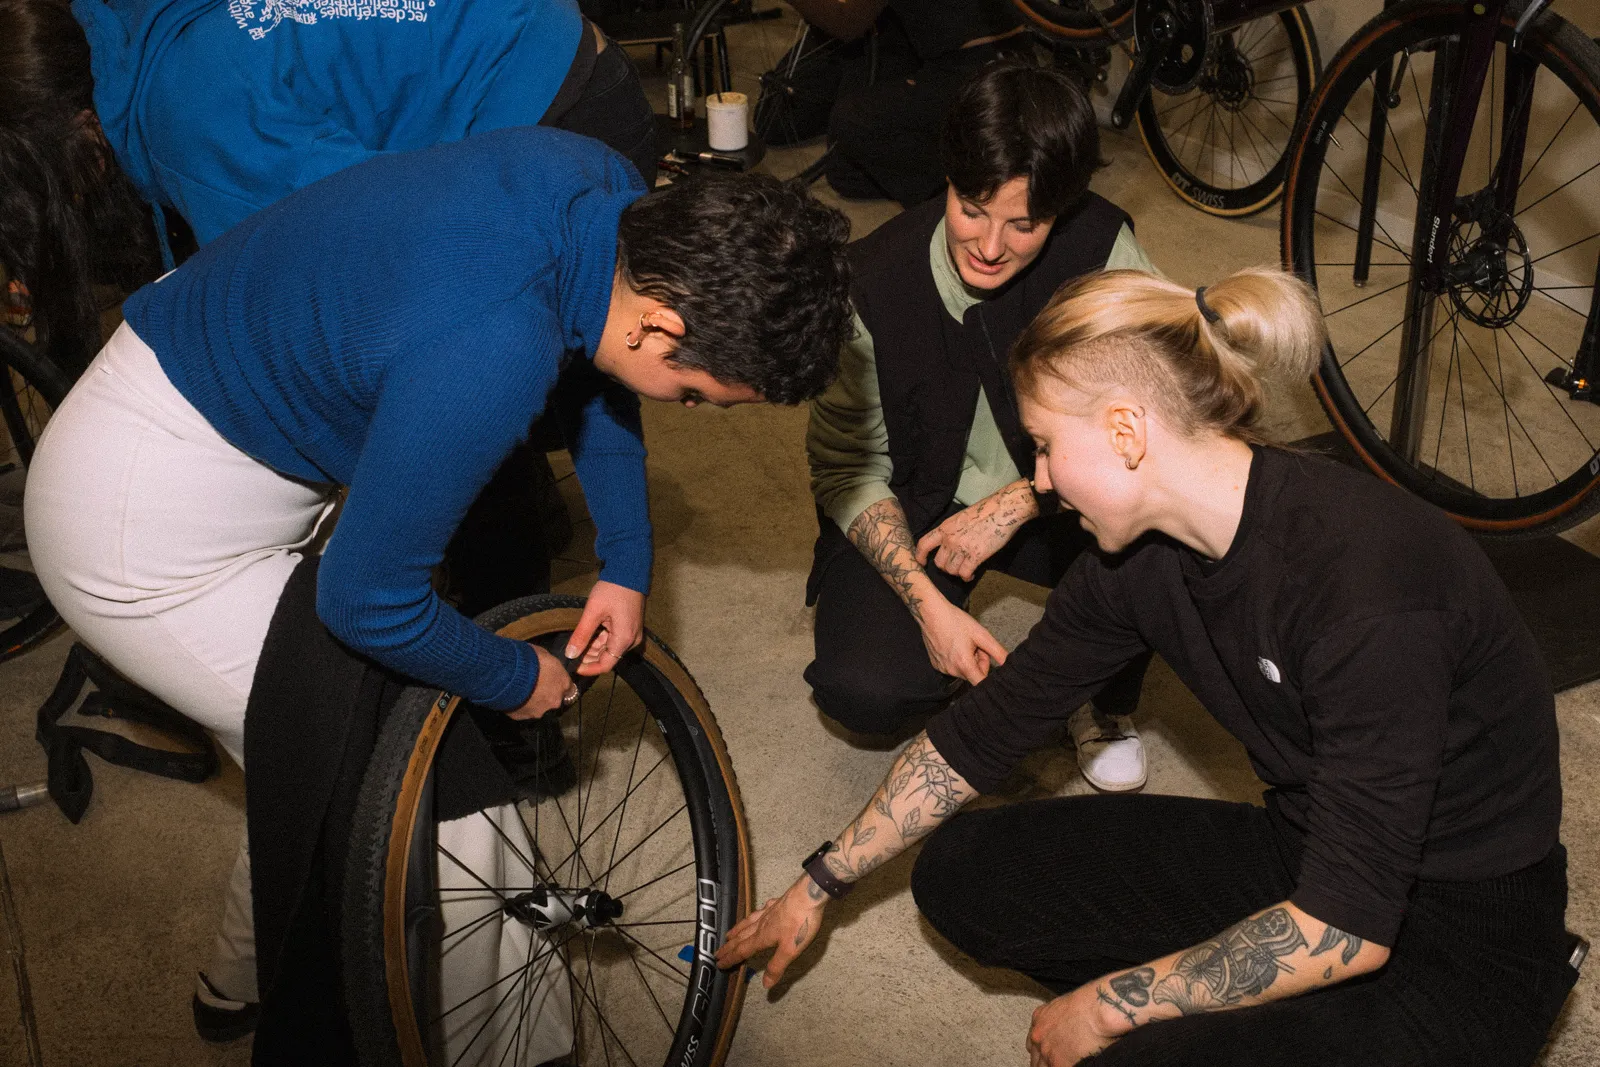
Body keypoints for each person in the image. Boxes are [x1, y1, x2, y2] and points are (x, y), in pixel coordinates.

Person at [23, 127, 852, 1041]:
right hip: (138, 526)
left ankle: (238, 978)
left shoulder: (609, 194)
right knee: (440, 801)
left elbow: (594, 363)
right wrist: (511, 675)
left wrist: (625, 558)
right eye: (694, 394)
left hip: (212, 400)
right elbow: (365, 599)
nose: (684, 409)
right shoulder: (492, 346)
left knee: (310, 753)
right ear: (660, 322)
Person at [720, 266, 1577, 1066]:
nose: (1043, 483)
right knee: (963, 872)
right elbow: (987, 729)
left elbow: (1345, 927)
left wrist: (1114, 1004)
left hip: (1465, 931)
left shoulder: (1365, 586)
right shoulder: (1136, 562)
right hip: (1309, 854)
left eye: (1047, 447)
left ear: (1127, 431)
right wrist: (819, 881)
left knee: (1125, 1046)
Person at [805, 59, 1151, 791]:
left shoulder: (1102, 250)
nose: (990, 246)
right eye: (972, 207)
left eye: (1025, 224)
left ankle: (1106, 697)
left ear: (1061, 211)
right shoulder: (870, 280)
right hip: (925, 502)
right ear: (950, 177)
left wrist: (1027, 497)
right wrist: (926, 604)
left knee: (1177, 539)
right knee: (865, 686)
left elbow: (1165, 418)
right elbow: (847, 468)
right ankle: (968, 646)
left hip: (1067, 492)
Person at [0, 0, 657, 375]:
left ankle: (496, 585)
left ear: (82, 131)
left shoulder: (195, 116)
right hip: (531, 49)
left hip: (565, 111)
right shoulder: (123, 37)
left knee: (440, 361)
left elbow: (372, 253)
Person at [780, 0, 1028, 206]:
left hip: (979, 66)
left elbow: (848, 23)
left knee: (851, 124)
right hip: (977, 53)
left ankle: (951, 190)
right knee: (843, 172)